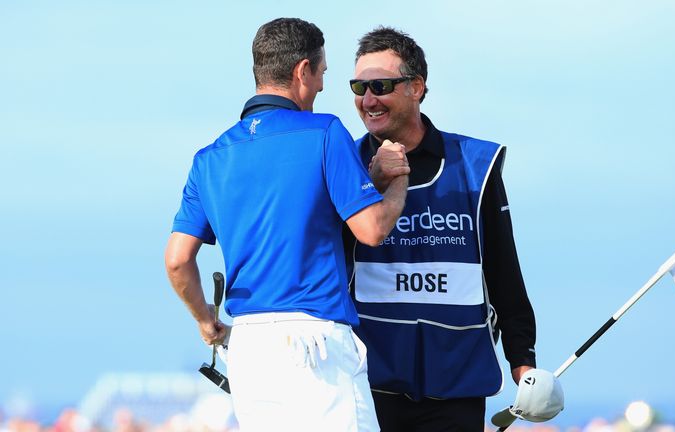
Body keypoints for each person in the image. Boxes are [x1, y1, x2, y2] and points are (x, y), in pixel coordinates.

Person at [164, 18, 410, 431]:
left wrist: (205, 320)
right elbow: (372, 229)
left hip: (248, 350)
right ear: (302, 71)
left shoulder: (209, 158)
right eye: (322, 73)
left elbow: (176, 261)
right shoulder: (324, 131)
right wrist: (397, 179)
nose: (321, 86)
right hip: (316, 341)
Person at [346, 27, 540, 432]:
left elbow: (503, 269)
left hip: (457, 380)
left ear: (416, 87)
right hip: (368, 378)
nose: (368, 100)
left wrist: (524, 362)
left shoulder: (474, 164)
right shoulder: (343, 164)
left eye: (380, 85)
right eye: (359, 87)